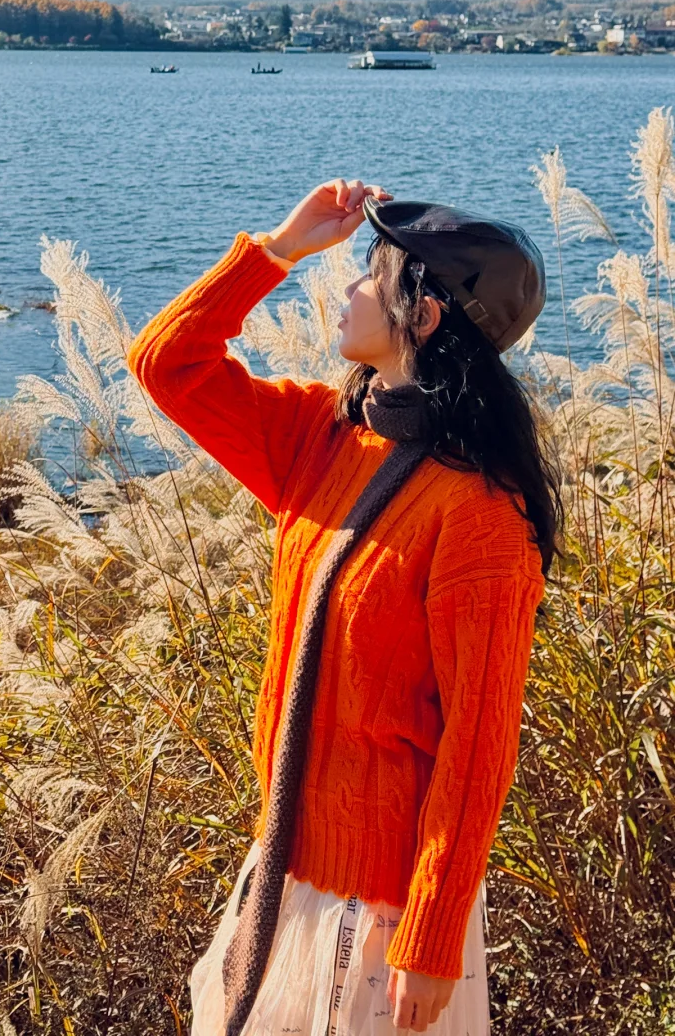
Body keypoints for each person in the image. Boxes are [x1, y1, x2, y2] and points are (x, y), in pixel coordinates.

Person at [126, 179, 559, 1036]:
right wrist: (278, 249)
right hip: (285, 874)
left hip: (385, 915)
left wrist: (432, 935)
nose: (348, 287)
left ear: (422, 317)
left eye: (368, 273)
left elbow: (478, 744)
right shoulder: (320, 437)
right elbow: (166, 365)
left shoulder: (481, 514)